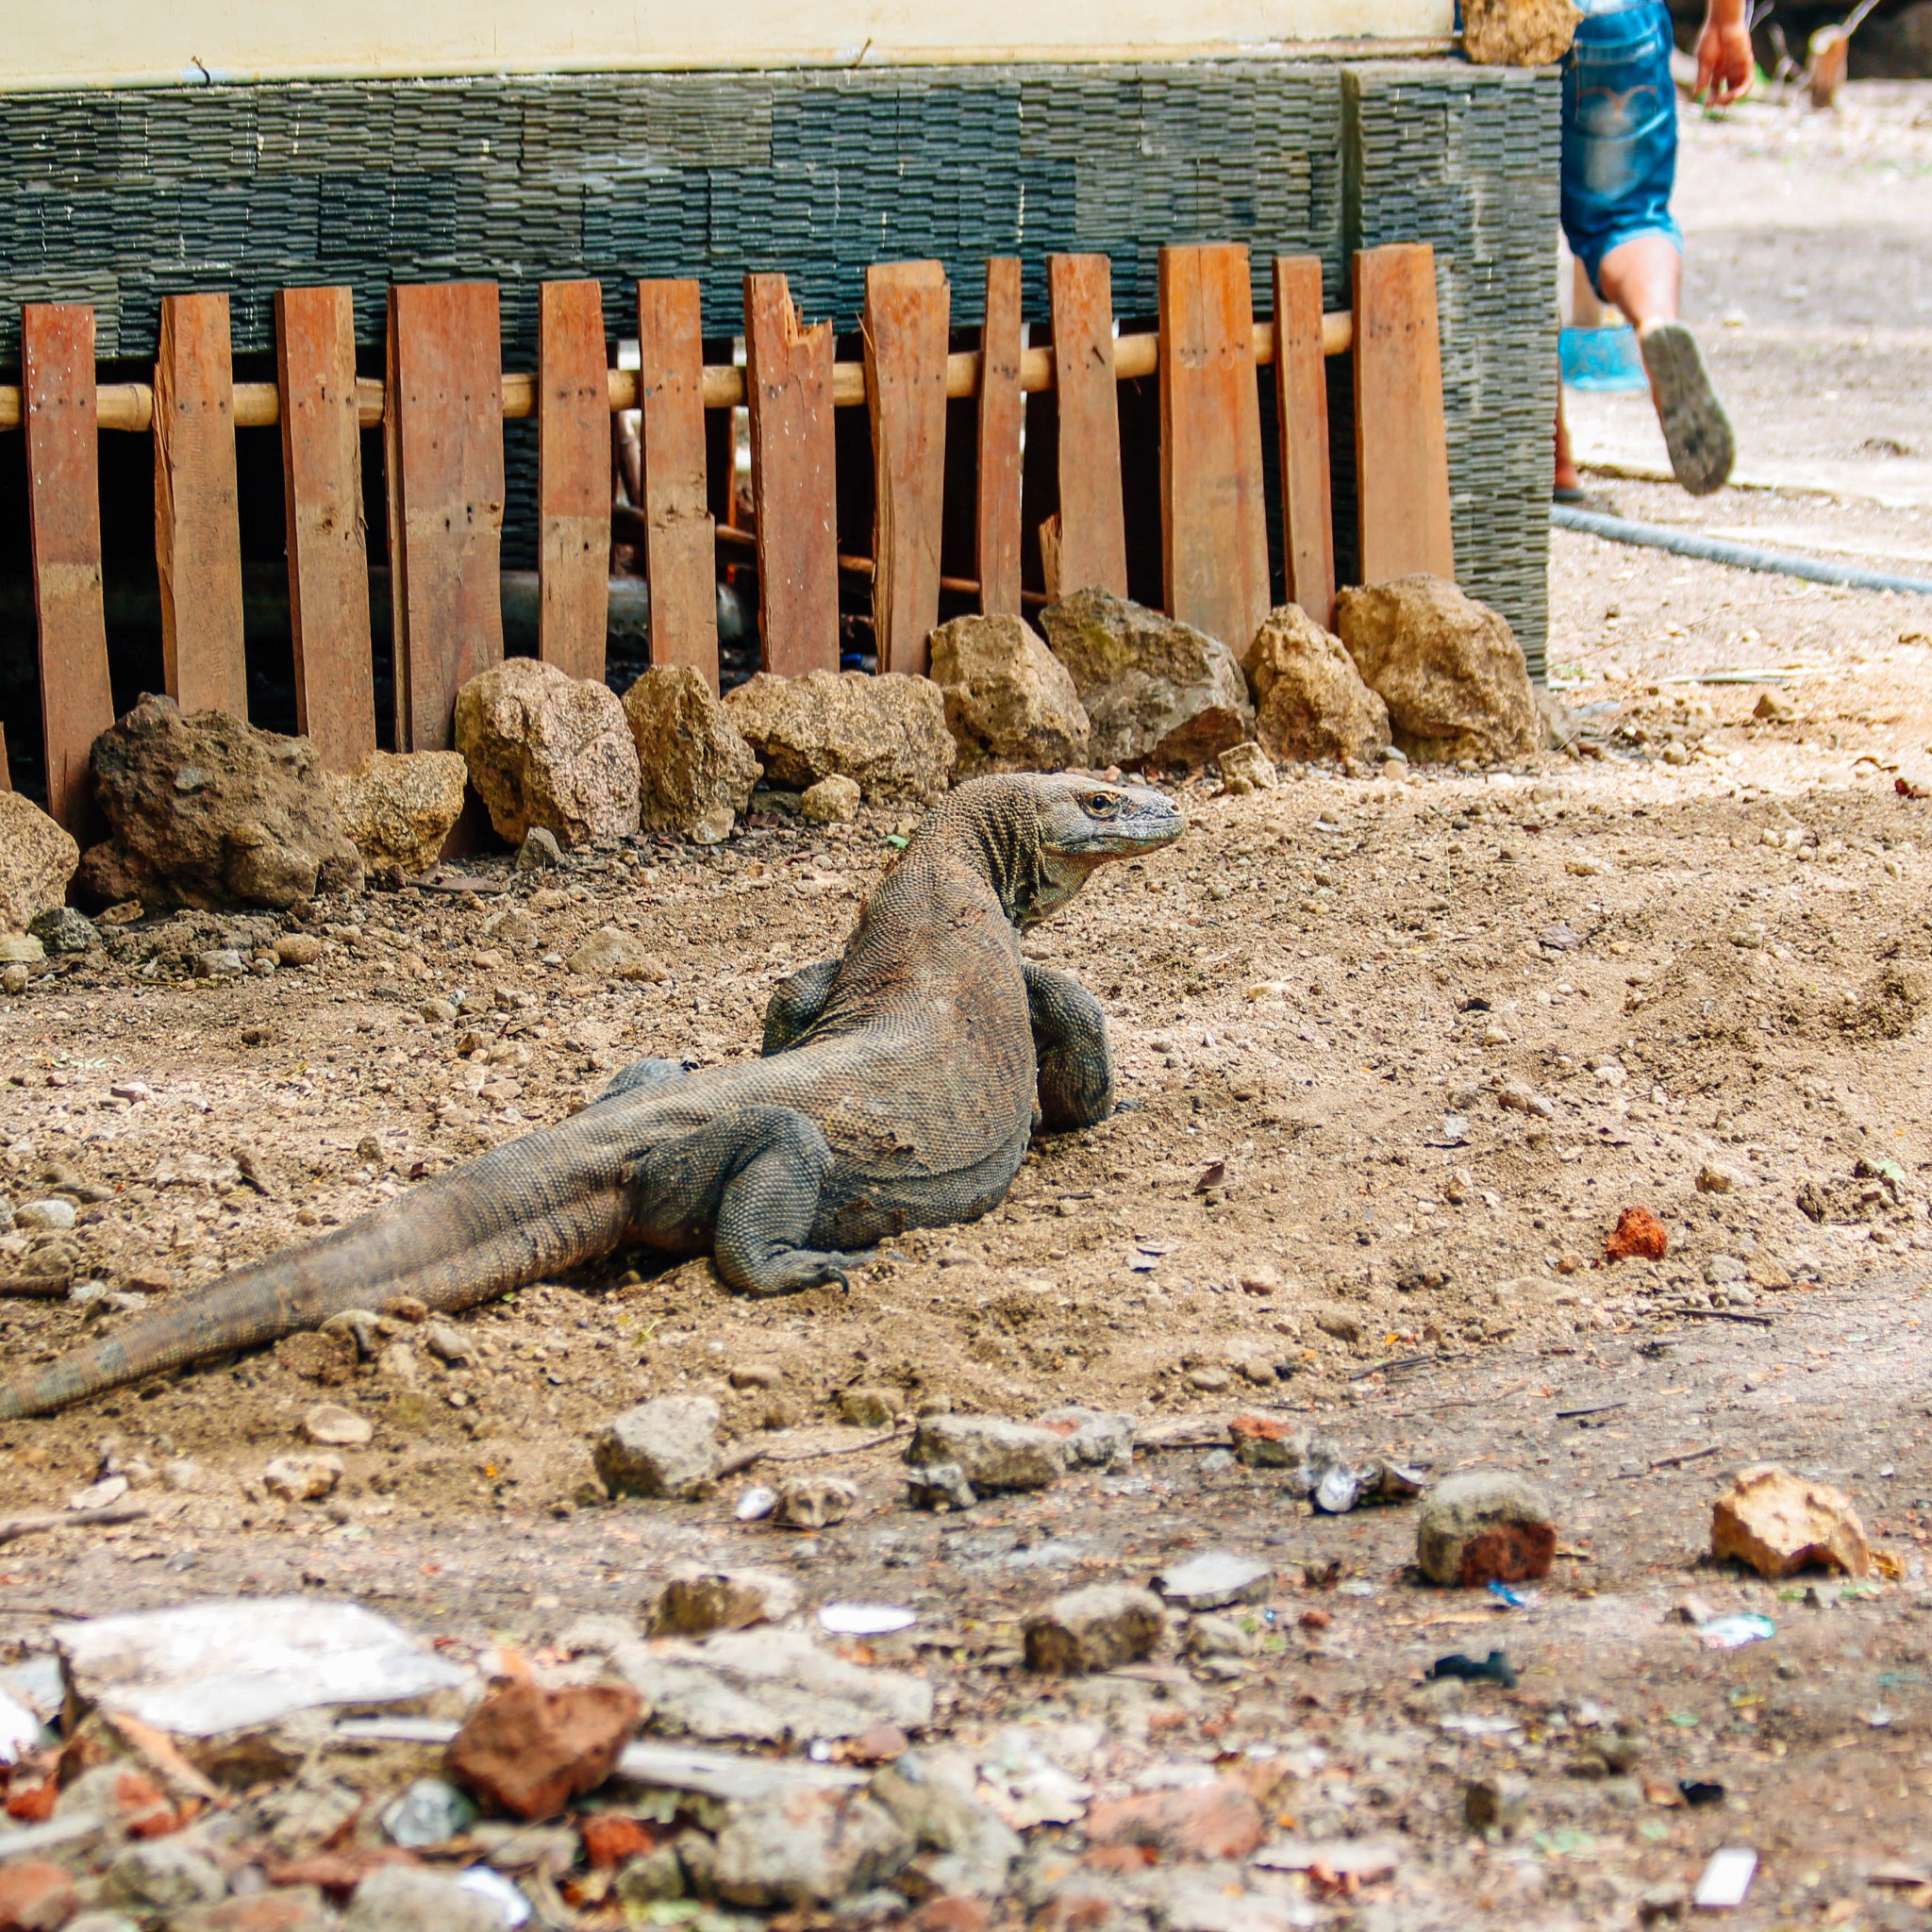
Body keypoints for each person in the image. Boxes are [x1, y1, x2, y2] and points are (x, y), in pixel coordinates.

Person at [1553, 0, 1752, 500]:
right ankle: (1655, 321)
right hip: (1615, 21)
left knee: (1499, 240)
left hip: (1493, 23)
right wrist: (1727, 20)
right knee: (1628, 217)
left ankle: (1550, 457)